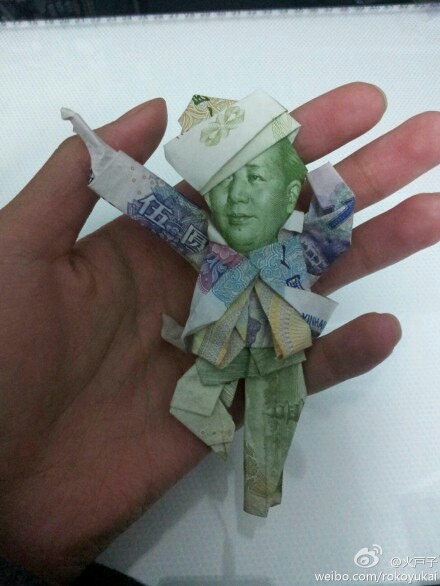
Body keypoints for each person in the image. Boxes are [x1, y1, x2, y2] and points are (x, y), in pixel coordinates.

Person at [0, 83, 438, 585]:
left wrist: (329, 184)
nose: (239, 197)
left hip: (279, 350)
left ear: (290, 193)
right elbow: (154, 203)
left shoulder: (296, 250)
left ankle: (262, 487)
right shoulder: (202, 239)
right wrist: (101, 156)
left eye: (255, 178)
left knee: (273, 418)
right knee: (201, 394)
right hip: (218, 348)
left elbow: (333, 236)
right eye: (223, 185)